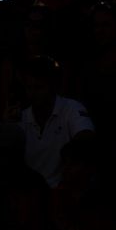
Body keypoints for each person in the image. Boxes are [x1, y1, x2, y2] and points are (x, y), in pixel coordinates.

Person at [14, 55, 93, 188]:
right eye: (29, 88)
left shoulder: (71, 109)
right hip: (30, 192)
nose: (32, 94)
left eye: (39, 87)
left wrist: (72, 157)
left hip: (64, 190)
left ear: (53, 87)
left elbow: (86, 138)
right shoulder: (21, 118)